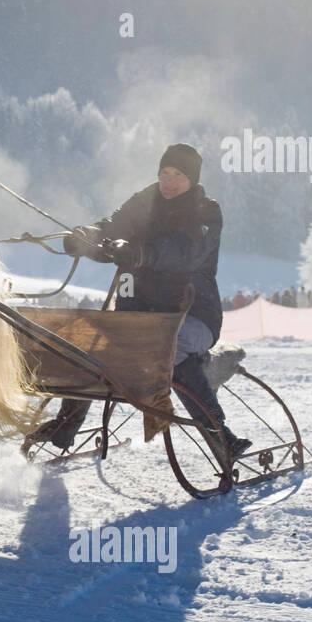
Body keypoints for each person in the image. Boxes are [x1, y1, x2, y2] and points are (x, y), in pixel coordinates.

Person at [31, 143, 250, 461]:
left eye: (177, 174)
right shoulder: (145, 200)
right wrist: (87, 236)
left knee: (167, 347)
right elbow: (113, 225)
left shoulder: (206, 212)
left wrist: (140, 252)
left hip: (190, 315)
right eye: (164, 172)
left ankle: (220, 436)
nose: (169, 181)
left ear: (192, 179)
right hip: (135, 316)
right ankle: (66, 427)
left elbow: (185, 250)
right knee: (89, 348)